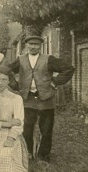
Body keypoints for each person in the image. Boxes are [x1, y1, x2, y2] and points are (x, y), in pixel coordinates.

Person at [6, 35, 75, 163]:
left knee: (46, 129)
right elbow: (7, 71)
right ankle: (28, 154)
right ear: (26, 45)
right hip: (27, 99)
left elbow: (68, 69)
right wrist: (15, 85)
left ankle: (43, 156)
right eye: (30, 44)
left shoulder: (48, 59)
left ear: (40, 46)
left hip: (46, 99)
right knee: (27, 128)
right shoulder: (20, 59)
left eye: (36, 44)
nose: (33, 47)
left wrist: (55, 83)